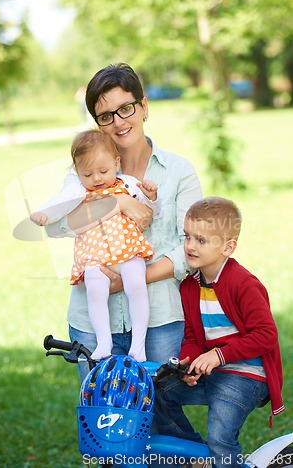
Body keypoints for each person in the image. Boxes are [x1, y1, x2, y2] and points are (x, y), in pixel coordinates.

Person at [44, 62, 203, 382]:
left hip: (159, 319)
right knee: (102, 416)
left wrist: (133, 278)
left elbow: (191, 251)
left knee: (157, 412)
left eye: (126, 108)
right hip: (91, 323)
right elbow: (55, 226)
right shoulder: (85, 171)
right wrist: (116, 202)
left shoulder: (177, 171)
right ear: (96, 124)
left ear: (144, 107)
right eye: (106, 116)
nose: (118, 122)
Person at [154, 196, 285, 467]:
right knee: (158, 392)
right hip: (214, 372)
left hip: (246, 376)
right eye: (187, 236)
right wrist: (189, 364)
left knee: (221, 437)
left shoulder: (243, 284)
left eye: (201, 240)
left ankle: (218, 456)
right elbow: (192, 337)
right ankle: (196, 455)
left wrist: (218, 356)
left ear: (228, 247)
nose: (190, 245)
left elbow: (266, 334)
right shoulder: (190, 286)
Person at [31, 129, 159, 362]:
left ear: (116, 162)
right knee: (95, 291)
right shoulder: (79, 190)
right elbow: (60, 204)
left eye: (103, 171)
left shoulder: (128, 184)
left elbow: (149, 213)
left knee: (136, 287)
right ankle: (103, 342)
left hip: (128, 250)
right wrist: (45, 214)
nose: (97, 179)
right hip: (94, 255)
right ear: (77, 171)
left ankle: (139, 345)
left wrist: (151, 197)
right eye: (88, 174)